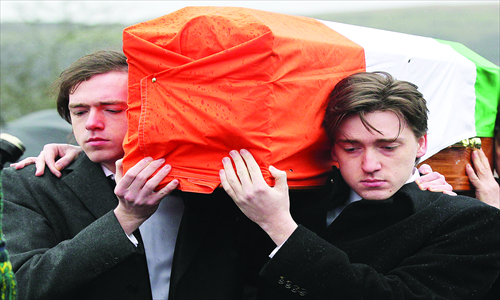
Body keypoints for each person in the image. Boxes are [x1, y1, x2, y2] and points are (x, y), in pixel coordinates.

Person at [219, 71, 500, 299]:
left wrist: (279, 225)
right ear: (333, 151)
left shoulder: (472, 220)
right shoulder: (295, 200)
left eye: (388, 147)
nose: (370, 165)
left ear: (421, 144)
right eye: (351, 149)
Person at [1, 50, 181, 299]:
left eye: (112, 110)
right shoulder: (28, 183)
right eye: (80, 112)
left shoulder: (209, 183)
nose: (91, 123)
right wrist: (125, 219)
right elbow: (18, 285)